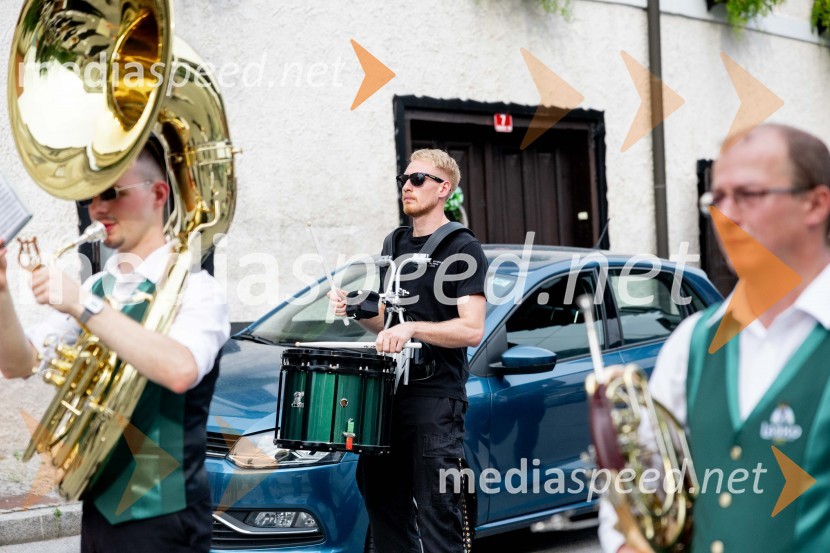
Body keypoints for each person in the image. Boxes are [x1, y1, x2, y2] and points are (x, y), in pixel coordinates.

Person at [599, 124, 830, 553]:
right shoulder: (692, 341)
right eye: (717, 199)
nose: (727, 215)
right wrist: (624, 541)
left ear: (815, 204)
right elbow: (642, 476)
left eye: (749, 194)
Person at [0, 143, 230, 553]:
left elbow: (180, 370)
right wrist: (1, 291)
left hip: (164, 517)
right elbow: (18, 364)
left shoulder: (197, 288)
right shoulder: (97, 288)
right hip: (98, 508)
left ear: (158, 194)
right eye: (91, 197)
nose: (97, 209)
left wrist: (82, 305)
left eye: (112, 193)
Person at [330, 149, 488, 552]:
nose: (407, 186)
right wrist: (354, 309)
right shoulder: (395, 242)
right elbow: (390, 322)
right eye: (404, 179)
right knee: (383, 507)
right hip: (386, 397)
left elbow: (472, 329)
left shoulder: (462, 248)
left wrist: (414, 328)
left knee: (438, 515)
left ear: (444, 189)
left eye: (418, 179)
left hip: (435, 399)